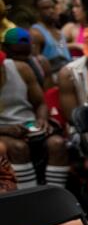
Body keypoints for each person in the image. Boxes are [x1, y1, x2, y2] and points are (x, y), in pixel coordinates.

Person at [0, 49, 66, 190]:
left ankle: (54, 197)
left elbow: (40, 103)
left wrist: (42, 119)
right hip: (3, 130)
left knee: (57, 144)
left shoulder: (21, 69)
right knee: (19, 148)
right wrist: (5, 129)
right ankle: (28, 198)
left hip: (27, 123)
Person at [29, 0, 71, 72]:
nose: (51, 11)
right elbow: (36, 65)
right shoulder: (36, 33)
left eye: (53, 7)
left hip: (67, 74)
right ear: (37, 12)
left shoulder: (59, 33)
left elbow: (60, 49)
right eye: (46, 8)